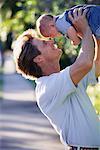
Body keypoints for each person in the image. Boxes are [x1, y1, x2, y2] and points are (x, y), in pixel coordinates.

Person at [13, 9, 100, 150]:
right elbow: (85, 63)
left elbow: (97, 65)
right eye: (43, 43)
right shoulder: (46, 88)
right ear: (38, 59)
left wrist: (95, 33)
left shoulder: (66, 78)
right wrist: (85, 29)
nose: (50, 40)